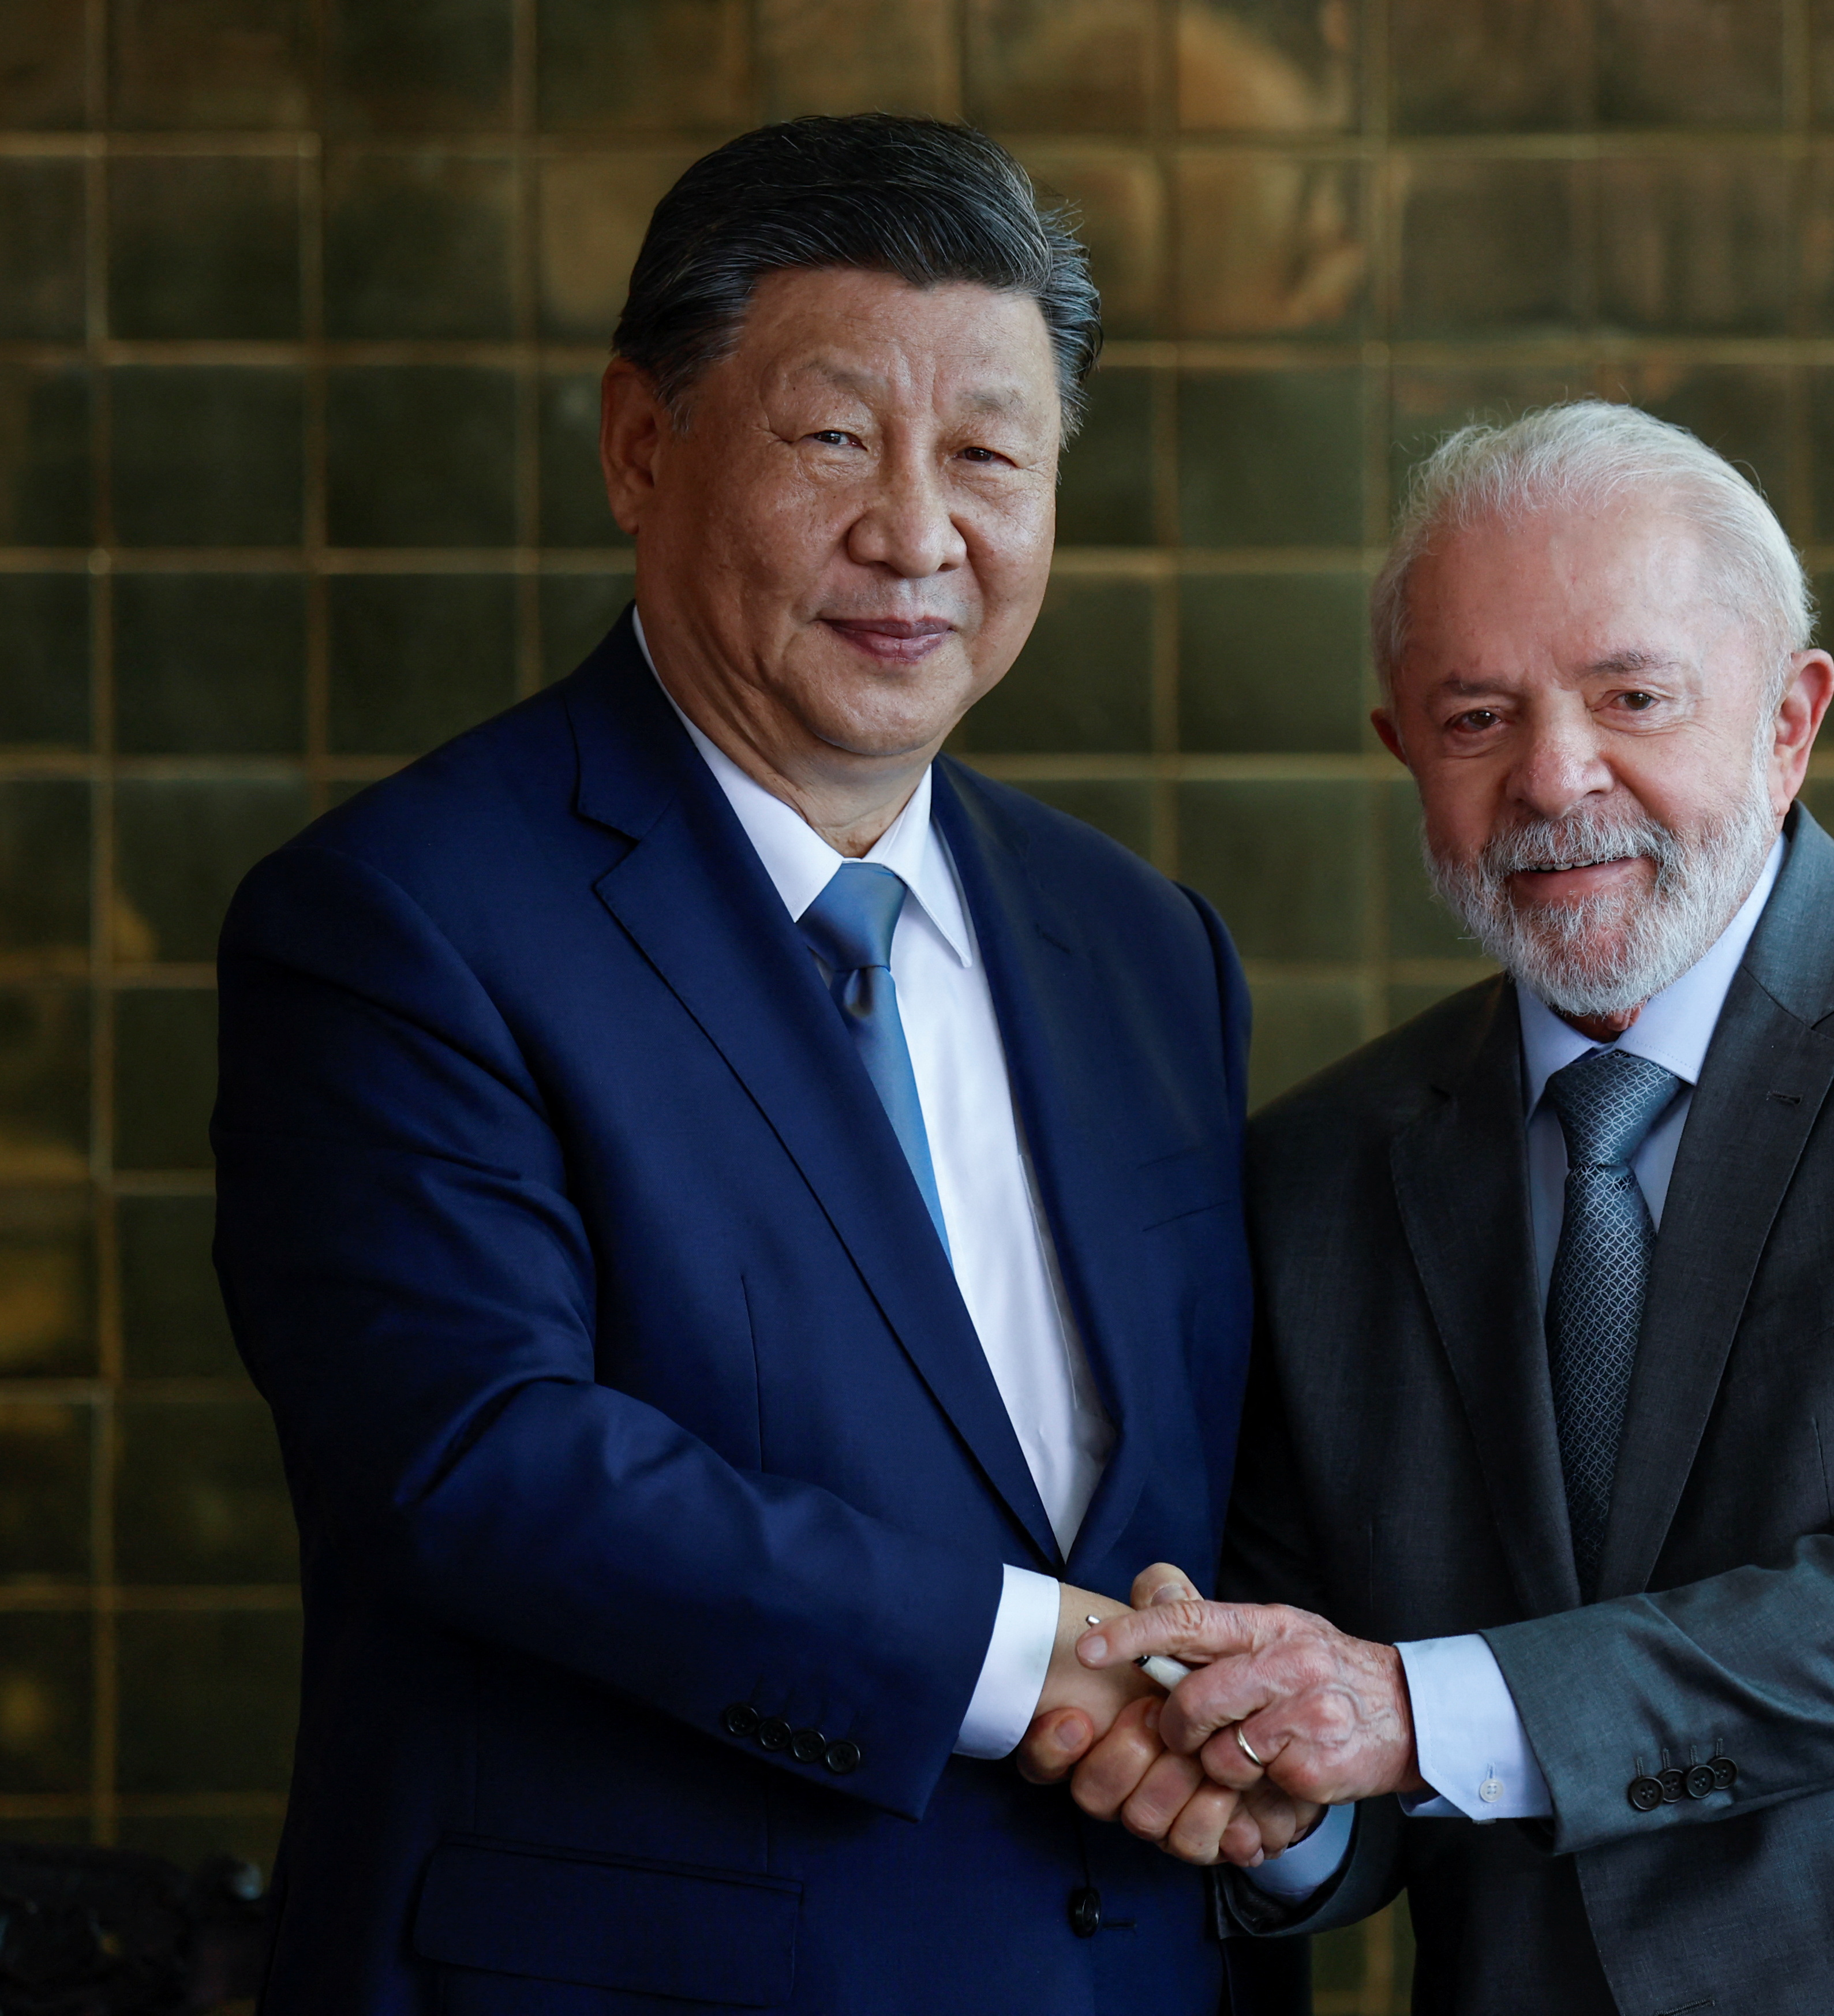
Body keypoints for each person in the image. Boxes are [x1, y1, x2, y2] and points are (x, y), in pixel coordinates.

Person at [1024, 403, 1834, 2016]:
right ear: (1402, 754)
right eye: (1476, 715)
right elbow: (1345, 1741)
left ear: (1789, 721)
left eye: (1632, 697)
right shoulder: (1318, 1174)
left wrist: (1405, 1715)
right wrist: (1267, 1778)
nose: (1555, 775)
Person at [214, 115, 1301, 2014]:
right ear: (643, 447)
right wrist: (1024, 1657)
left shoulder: (1141, 947)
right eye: (833, 440)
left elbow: (1226, 1495)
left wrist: (1298, 1758)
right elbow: (477, 1457)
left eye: (988, 456)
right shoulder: (401, 921)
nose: (918, 534)